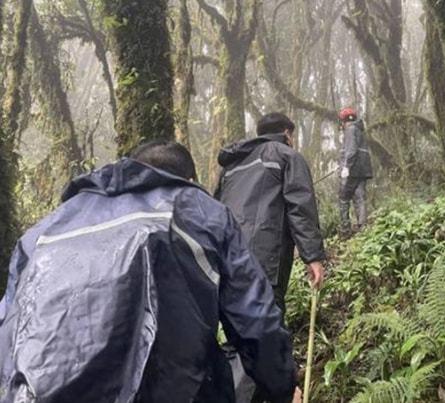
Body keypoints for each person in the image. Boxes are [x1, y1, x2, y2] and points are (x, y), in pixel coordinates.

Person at [0, 141, 296, 403]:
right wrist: (283, 388)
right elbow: (255, 319)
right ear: (190, 179)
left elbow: (7, 328)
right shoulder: (199, 211)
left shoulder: (43, 231)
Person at [215, 112, 326, 315]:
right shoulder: (287, 156)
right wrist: (313, 257)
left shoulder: (231, 165)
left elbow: (215, 208)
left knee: (237, 325)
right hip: (266, 258)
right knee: (267, 324)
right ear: (286, 133)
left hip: (227, 256)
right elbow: (300, 208)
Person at [338, 107, 373, 238]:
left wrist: (346, 167)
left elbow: (351, 150)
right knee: (360, 198)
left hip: (352, 170)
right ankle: (362, 227)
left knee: (343, 198)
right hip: (363, 170)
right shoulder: (359, 130)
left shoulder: (350, 129)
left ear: (343, 121)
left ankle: (345, 229)